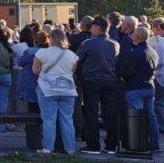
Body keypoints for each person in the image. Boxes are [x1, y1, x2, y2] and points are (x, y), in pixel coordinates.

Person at [76, 16, 121, 154]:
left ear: (96, 27)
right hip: (110, 81)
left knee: (91, 113)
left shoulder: (88, 43)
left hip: (91, 80)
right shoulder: (115, 44)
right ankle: (111, 145)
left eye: (92, 27)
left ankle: (93, 145)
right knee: (110, 113)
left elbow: (77, 59)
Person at [33, 28, 79, 154]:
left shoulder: (42, 53)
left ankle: (48, 148)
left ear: (50, 38)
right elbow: (72, 72)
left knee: (49, 119)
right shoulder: (72, 55)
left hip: (47, 90)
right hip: (68, 90)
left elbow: (35, 70)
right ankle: (70, 149)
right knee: (67, 119)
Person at [116, 26, 161, 151]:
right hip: (150, 86)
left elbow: (127, 71)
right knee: (151, 115)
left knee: (136, 117)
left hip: (135, 87)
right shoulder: (153, 52)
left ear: (137, 37)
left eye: (134, 34)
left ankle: (138, 144)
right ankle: (154, 143)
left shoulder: (135, 53)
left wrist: (123, 76)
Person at [153, 18, 164, 151]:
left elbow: (158, 62)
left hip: (161, 77)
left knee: (159, 102)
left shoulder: (161, 44)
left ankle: (161, 125)